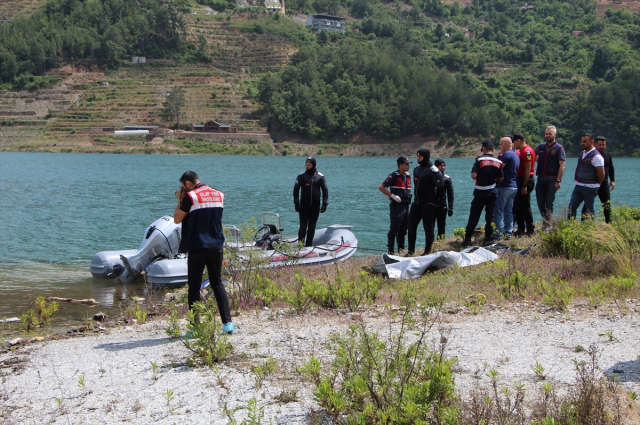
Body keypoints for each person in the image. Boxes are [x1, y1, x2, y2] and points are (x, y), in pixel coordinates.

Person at [173, 171, 234, 335]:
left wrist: (180, 199)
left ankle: (194, 328)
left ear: (187, 183)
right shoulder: (219, 194)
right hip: (216, 246)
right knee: (217, 283)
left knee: (193, 287)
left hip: (197, 246)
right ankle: (227, 323)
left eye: (182, 186)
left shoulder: (190, 197)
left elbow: (177, 219)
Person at [461, 140, 504, 248]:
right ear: (493, 149)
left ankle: (467, 240)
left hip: (480, 192)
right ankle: (487, 240)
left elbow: (474, 176)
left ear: (483, 149)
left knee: (474, 217)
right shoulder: (498, 162)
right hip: (492, 192)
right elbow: (501, 178)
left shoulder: (479, 160)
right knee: (490, 217)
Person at [407, 147, 444, 256]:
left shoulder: (433, 170)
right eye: (417, 156)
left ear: (426, 156)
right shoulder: (416, 169)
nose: (418, 158)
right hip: (417, 202)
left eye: (420, 156)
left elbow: (441, 188)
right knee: (411, 225)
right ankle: (410, 250)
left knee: (428, 227)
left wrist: (434, 200)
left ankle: (427, 251)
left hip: (428, 202)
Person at [378, 156, 412, 254]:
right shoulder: (394, 176)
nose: (408, 165)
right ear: (400, 165)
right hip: (397, 207)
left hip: (406, 206)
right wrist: (391, 195)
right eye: (406, 164)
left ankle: (401, 250)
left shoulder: (408, 176)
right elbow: (381, 187)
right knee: (394, 230)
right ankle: (391, 251)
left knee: (403, 230)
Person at [568, 133, 605, 220]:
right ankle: (570, 226)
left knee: (589, 208)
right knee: (571, 207)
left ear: (591, 142)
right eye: (582, 141)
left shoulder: (597, 156)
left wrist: (596, 184)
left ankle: (591, 228)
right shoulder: (582, 153)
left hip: (590, 187)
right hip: (579, 185)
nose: (582, 143)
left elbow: (601, 174)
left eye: (585, 141)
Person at [293, 157, 329, 247]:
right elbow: (296, 190)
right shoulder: (302, 176)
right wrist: (296, 203)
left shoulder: (320, 177)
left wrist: (325, 203)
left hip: (315, 207)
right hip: (303, 207)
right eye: (306, 164)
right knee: (302, 227)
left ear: (313, 165)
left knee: (312, 227)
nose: (307, 166)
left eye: (309, 165)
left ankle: (308, 246)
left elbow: (325, 190)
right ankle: (300, 246)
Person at [534, 125, 566, 224]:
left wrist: (558, 180)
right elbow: (532, 156)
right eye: (546, 134)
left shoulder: (559, 148)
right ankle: (546, 221)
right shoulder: (540, 146)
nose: (547, 136)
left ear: (555, 134)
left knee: (549, 203)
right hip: (540, 179)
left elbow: (562, 165)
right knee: (540, 203)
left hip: (552, 180)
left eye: (550, 134)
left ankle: (547, 225)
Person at [494, 137, 520, 239]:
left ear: (507, 145)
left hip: (505, 186)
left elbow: (499, 168)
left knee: (499, 211)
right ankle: (508, 233)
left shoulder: (507, 155)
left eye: (500, 144)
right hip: (513, 186)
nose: (499, 146)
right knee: (509, 211)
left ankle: (497, 234)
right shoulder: (515, 155)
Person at [512, 133, 536, 237]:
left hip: (525, 179)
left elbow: (528, 168)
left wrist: (524, 185)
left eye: (514, 142)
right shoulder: (521, 151)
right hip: (521, 179)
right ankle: (521, 228)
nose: (514, 145)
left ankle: (530, 229)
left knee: (525, 206)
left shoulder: (527, 151)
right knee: (518, 206)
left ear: (518, 141)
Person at [595, 136, 615, 223]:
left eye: (604, 145)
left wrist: (613, 180)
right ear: (595, 144)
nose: (602, 147)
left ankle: (609, 224)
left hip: (604, 185)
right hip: (593, 184)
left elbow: (611, 168)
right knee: (588, 205)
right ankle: (585, 223)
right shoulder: (591, 155)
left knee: (607, 206)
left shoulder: (608, 155)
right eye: (600, 145)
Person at [433, 159, 454, 240]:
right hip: (431, 205)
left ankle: (440, 243)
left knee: (441, 226)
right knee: (430, 226)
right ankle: (430, 244)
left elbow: (450, 194)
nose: (443, 167)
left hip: (442, 206)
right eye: (441, 165)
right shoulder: (430, 178)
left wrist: (450, 207)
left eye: (444, 165)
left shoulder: (447, 179)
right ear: (436, 166)